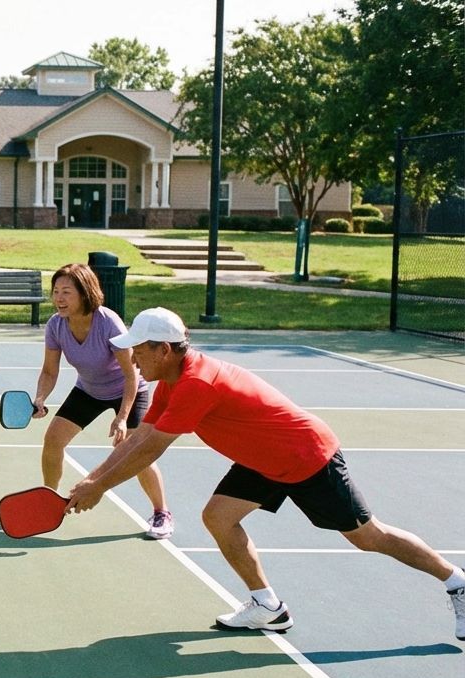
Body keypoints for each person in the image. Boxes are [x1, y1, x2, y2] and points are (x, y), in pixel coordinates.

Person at [67, 307, 465, 637]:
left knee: (367, 536)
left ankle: (456, 581)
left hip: (305, 456)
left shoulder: (195, 384)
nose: (132, 359)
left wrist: (99, 487)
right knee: (219, 516)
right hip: (264, 459)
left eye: (138, 350)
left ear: (165, 349)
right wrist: (91, 481)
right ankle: (268, 606)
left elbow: (152, 448)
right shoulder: (170, 379)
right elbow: (140, 438)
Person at [34, 263, 172, 539]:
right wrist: (40, 398)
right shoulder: (56, 325)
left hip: (128, 389)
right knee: (53, 439)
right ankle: (49, 499)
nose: (59, 298)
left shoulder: (108, 322)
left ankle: (161, 513)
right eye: (56, 292)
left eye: (67, 292)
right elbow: (50, 370)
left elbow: (131, 375)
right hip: (89, 389)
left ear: (84, 294)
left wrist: (121, 418)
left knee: (137, 450)